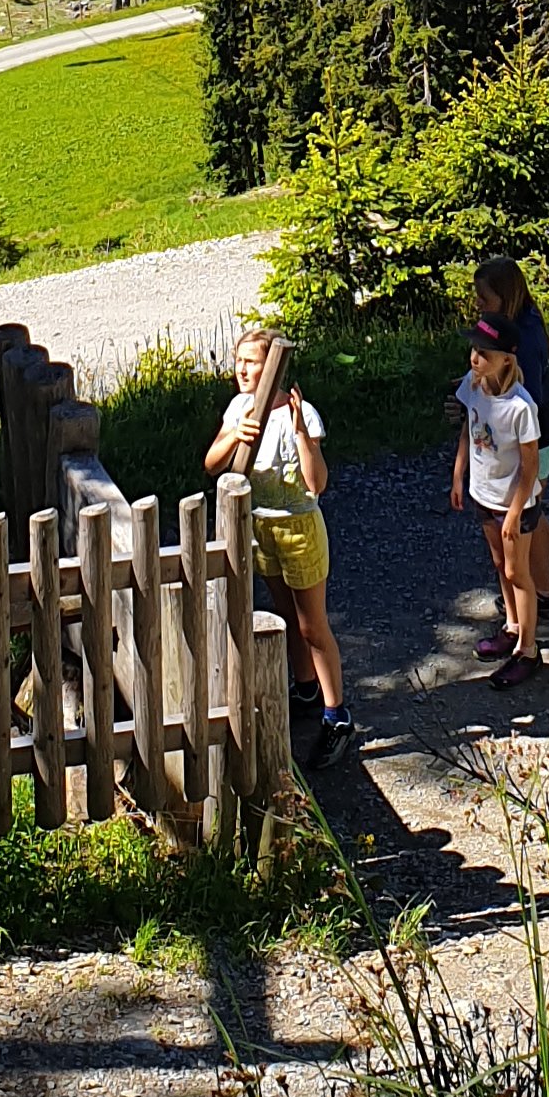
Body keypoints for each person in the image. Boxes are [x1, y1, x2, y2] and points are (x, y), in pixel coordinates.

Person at [204, 325, 355, 768]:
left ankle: (336, 713)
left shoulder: (299, 411)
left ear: (274, 365)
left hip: (298, 527)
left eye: (252, 362)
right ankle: (305, 686)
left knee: (312, 625)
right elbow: (212, 464)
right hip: (259, 527)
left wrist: (301, 433)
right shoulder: (238, 409)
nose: (242, 370)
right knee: (285, 616)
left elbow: (316, 483)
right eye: (239, 361)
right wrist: (236, 435)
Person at [471, 254, 549, 615]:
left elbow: (523, 398)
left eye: (484, 299)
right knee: (529, 503)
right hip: (533, 433)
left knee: (525, 512)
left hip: (538, 437)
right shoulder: (514, 324)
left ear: (505, 297)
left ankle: (546, 594)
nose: (478, 305)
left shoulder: (525, 341)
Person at [452, 321, 546, 691]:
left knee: (517, 572)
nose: (475, 358)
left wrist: (515, 510)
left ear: (507, 360)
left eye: (484, 354)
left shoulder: (521, 407)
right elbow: (467, 429)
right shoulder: (473, 385)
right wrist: (458, 475)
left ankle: (528, 648)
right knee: (498, 565)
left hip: (514, 504)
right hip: (484, 494)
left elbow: (530, 465)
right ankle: (511, 625)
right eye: (473, 351)